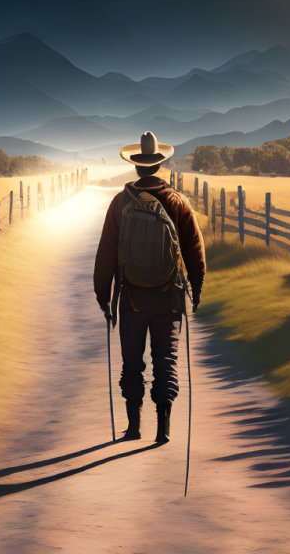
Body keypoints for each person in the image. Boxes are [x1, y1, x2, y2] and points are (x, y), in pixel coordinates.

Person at [94, 131, 206, 444]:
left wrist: (103, 296)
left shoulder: (120, 203)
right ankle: (164, 428)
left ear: (135, 167)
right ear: (159, 165)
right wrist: (196, 291)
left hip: (130, 297)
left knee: (132, 360)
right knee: (166, 360)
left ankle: (133, 427)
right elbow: (194, 251)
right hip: (168, 297)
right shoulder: (177, 201)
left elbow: (106, 253)